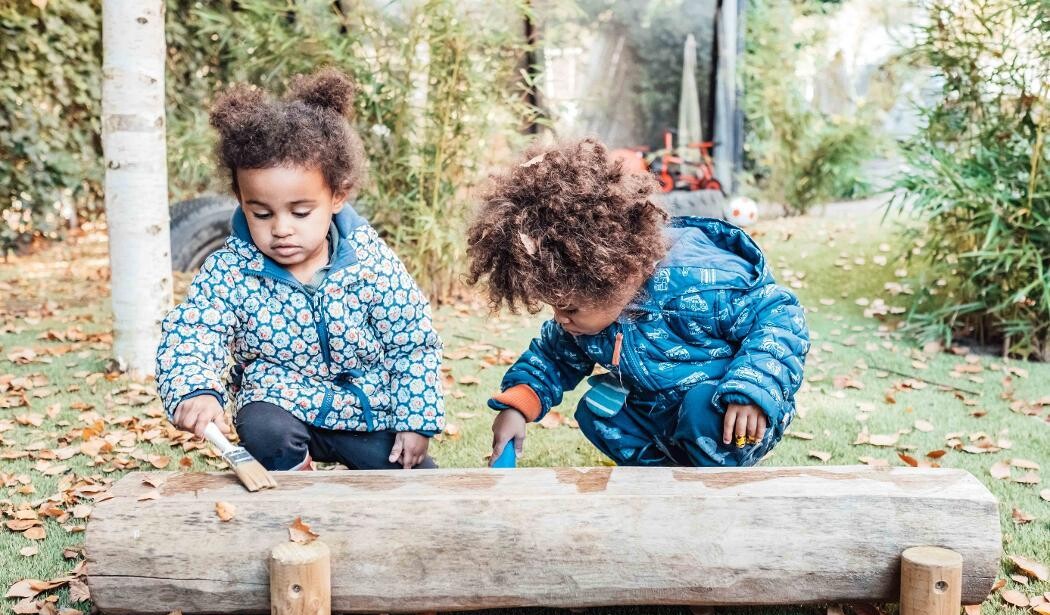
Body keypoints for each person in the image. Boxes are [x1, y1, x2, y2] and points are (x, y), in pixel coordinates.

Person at [156, 68, 444, 470]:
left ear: (337, 196)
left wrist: (417, 421)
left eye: (301, 211)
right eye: (261, 212)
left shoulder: (370, 262)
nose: (281, 229)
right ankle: (297, 483)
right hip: (281, 401)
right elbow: (194, 330)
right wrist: (195, 389)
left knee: (418, 480)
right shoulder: (230, 271)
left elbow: (412, 341)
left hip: (366, 410)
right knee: (263, 424)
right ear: (240, 200)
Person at [466, 139, 809, 468]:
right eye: (555, 307)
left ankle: (712, 480)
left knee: (700, 409)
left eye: (569, 309)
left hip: (734, 413)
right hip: (661, 410)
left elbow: (779, 314)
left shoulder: (698, 285)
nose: (561, 320)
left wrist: (752, 389)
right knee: (598, 411)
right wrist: (518, 407)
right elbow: (552, 358)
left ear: (614, 278)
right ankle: (661, 480)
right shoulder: (589, 313)